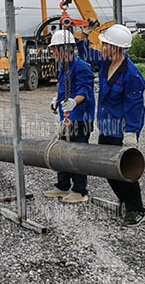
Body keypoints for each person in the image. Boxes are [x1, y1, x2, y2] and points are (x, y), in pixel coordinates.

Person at [78, 24, 145, 226]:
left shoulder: (132, 75)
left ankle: (136, 209)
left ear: (116, 48)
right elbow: (87, 54)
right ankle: (126, 202)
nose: (101, 47)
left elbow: (135, 106)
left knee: (124, 172)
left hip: (122, 131)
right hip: (106, 128)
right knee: (108, 170)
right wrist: (83, 36)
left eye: (105, 44)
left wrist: (131, 134)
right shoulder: (106, 62)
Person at [43, 30, 95, 204]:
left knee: (76, 154)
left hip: (81, 118)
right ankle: (63, 186)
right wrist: (56, 100)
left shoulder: (82, 67)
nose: (54, 53)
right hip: (66, 117)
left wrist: (74, 102)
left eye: (55, 50)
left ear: (64, 48)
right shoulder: (64, 67)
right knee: (62, 152)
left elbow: (84, 90)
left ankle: (80, 191)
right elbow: (65, 89)